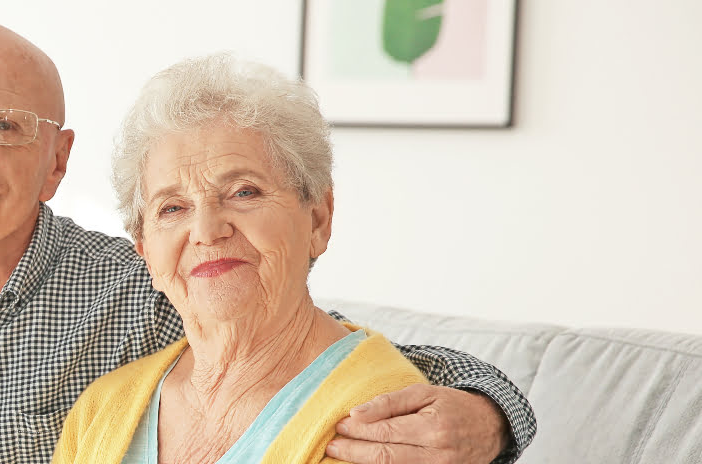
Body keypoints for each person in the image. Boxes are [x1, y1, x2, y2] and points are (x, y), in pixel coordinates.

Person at [0, 21, 532, 464]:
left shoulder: (147, 282)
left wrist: (487, 416)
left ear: (57, 161)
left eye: (3, 126)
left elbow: (314, 357)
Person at [54, 52, 431, 463]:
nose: (207, 231)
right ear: (146, 253)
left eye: (243, 192)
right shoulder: (100, 408)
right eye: (172, 208)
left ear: (318, 219)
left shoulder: (385, 421)